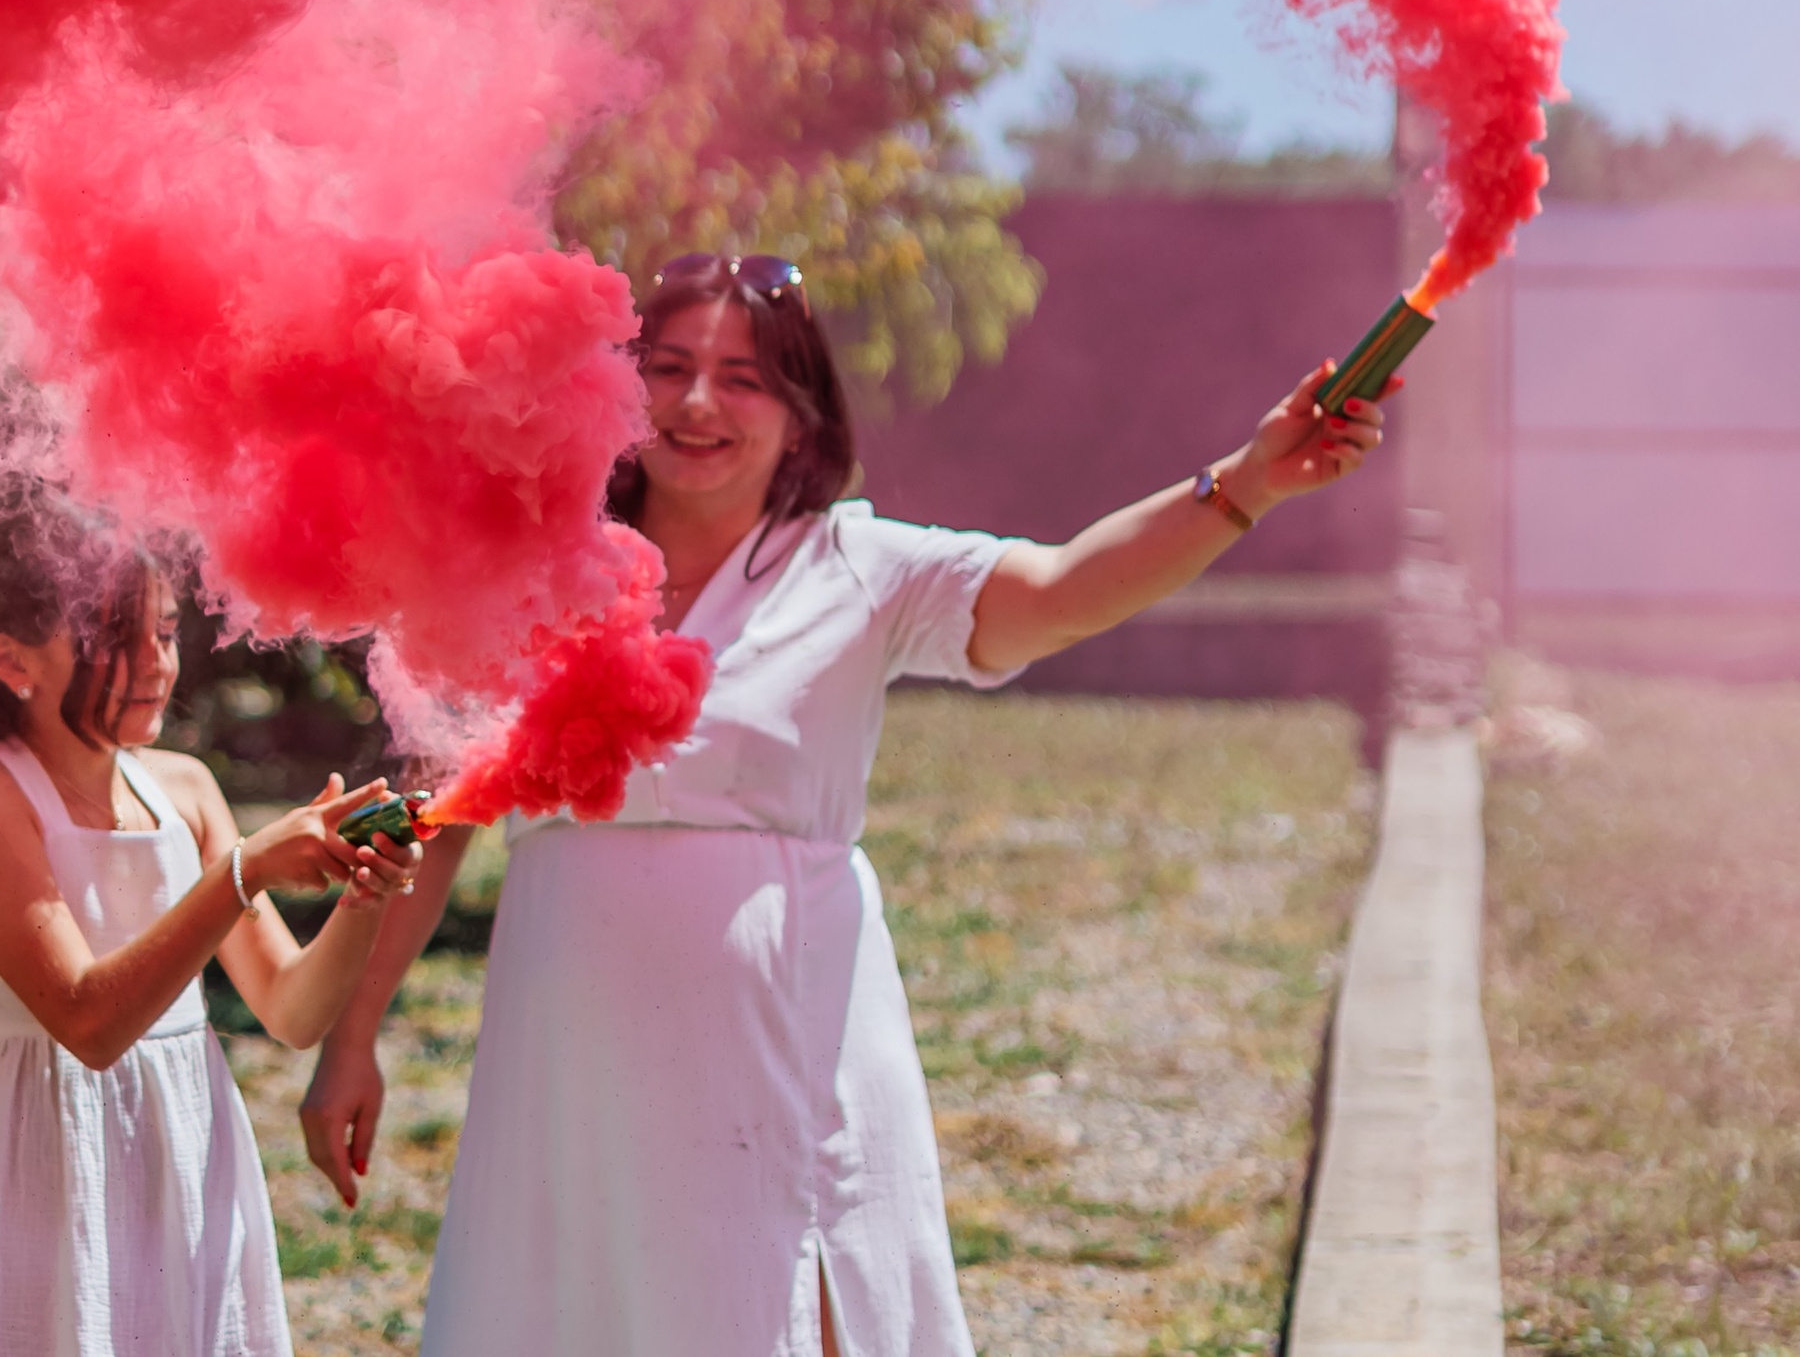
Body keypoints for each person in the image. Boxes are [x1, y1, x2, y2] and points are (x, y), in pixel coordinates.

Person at [299, 253, 1399, 1357]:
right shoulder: (538, 571)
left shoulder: (858, 567)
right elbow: (431, 821)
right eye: (668, 368)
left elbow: (1060, 592)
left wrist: (1246, 481)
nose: (695, 403)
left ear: (801, 415)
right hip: (571, 1049)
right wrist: (352, 1036)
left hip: (788, 1040)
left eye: (743, 378)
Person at [0, 507, 424, 1357]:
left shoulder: (186, 789)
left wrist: (366, 888)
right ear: (10, 659)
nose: (155, 665)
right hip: (54, 1173)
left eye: (165, 632)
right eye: (112, 639)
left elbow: (291, 1009)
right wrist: (242, 870)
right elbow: (89, 1021)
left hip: (190, 1167)